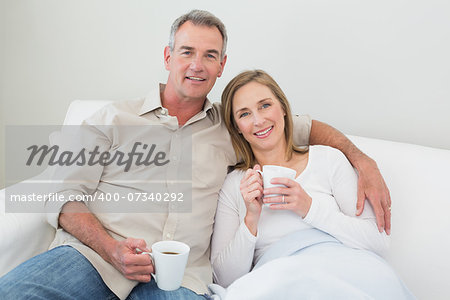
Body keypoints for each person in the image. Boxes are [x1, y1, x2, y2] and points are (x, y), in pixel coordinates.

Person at [0, 10, 390, 300]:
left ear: (222, 65)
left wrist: (362, 160)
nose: (197, 65)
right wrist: (111, 249)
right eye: (187, 52)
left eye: (210, 55)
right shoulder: (111, 118)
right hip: (92, 258)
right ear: (168, 56)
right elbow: (65, 198)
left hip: (179, 277)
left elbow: (302, 128)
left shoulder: (235, 123)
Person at [210, 70, 413, 299]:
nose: (258, 120)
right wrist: (251, 219)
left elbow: (378, 242)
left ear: (284, 109)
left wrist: (309, 208)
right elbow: (224, 279)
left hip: (345, 270)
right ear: (237, 126)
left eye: (265, 105)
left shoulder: (328, 160)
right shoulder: (236, 185)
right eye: (245, 114)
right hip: (280, 279)